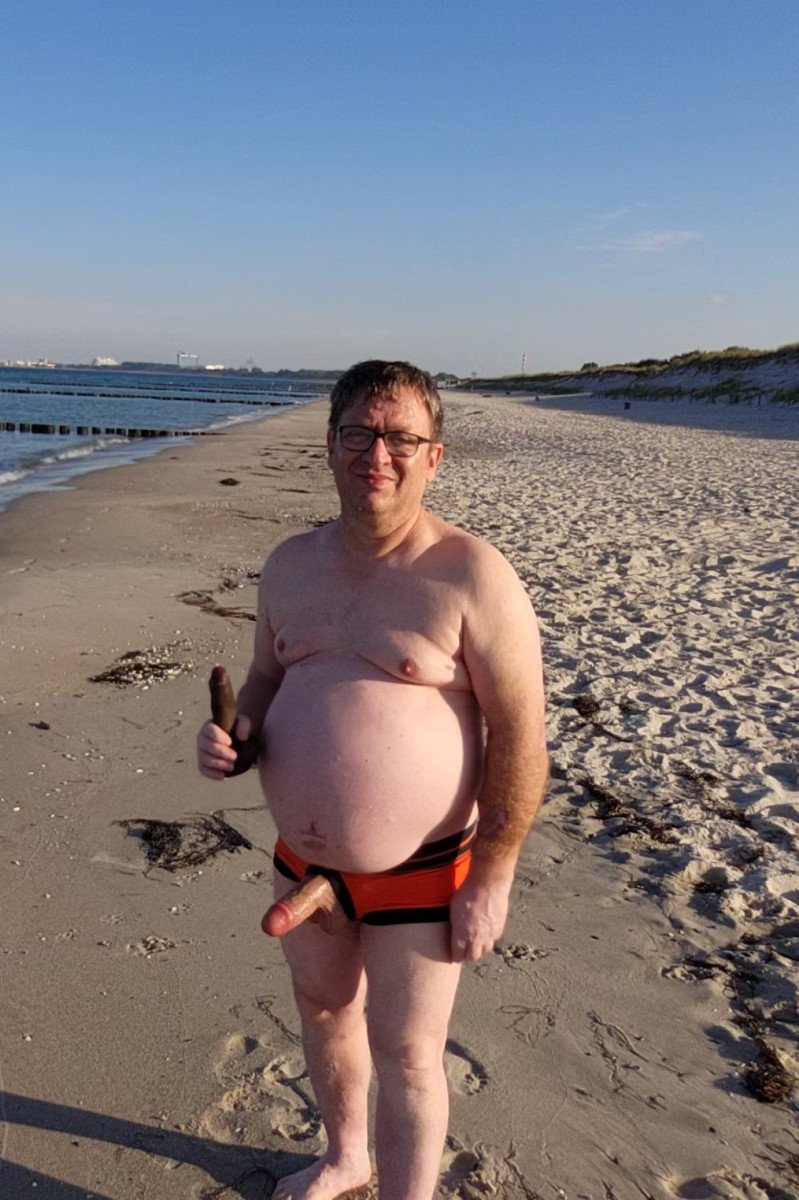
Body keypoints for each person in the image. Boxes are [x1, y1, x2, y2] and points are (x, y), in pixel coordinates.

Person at [197, 360, 548, 1200]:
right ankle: (344, 1156)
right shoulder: (289, 564)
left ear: (434, 457)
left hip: (423, 873)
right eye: (358, 433)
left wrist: (493, 875)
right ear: (330, 445)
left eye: (400, 438)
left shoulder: (471, 575)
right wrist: (235, 740)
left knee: (410, 1056)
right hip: (302, 864)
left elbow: (520, 734)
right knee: (323, 1014)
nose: (376, 454)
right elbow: (266, 678)